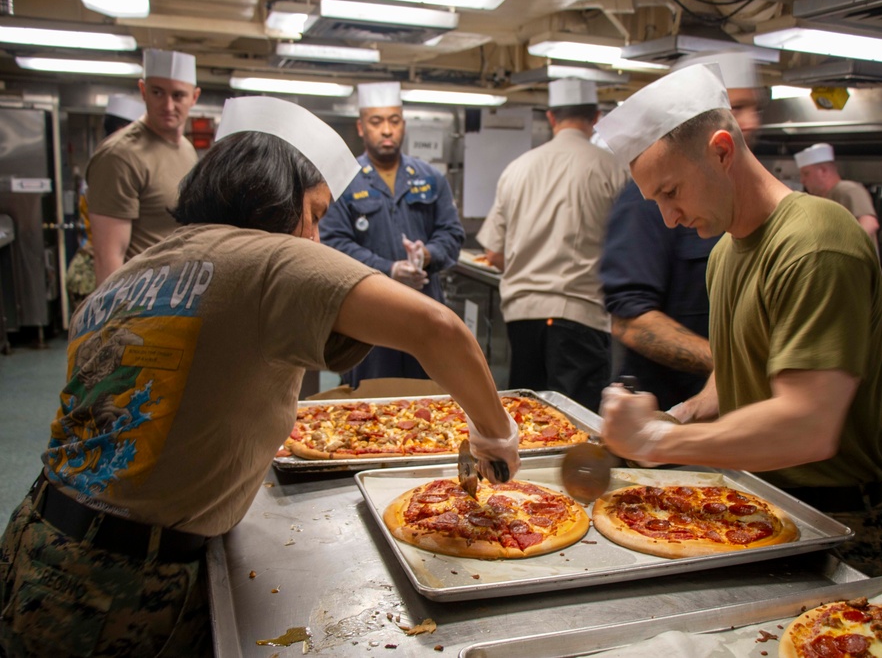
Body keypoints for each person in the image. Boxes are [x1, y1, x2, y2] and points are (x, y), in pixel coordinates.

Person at [0, 96, 519, 658]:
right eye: (316, 215)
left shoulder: (134, 272)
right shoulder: (269, 256)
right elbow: (438, 329)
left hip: (38, 543)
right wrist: (494, 432)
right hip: (125, 587)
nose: (317, 239)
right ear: (276, 195)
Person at [594, 63, 882, 577]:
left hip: (846, 534)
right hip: (763, 507)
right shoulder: (727, 252)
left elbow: (808, 425)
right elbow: (733, 378)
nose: (668, 219)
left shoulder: (815, 242)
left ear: (722, 151)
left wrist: (660, 444)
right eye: (656, 200)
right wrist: (674, 416)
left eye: (671, 191)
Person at [599, 50, 762, 410]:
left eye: (753, 107)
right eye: (735, 108)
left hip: (732, 418)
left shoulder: (756, 214)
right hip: (664, 409)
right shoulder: (650, 199)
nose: (748, 121)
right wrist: (736, 368)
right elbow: (630, 320)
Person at [477, 78, 629, 412]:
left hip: (521, 318)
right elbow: (628, 249)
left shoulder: (517, 169)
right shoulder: (612, 168)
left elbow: (494, 254)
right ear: (596, 117)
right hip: (579, 316)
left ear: (550, 117)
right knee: (576, 424)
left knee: (528, 419)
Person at [320, 81, 465, 386]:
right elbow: (332, 244)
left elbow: (451, 234)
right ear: (361, 128)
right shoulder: (343, 179)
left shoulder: (430, 178)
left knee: (428, 400)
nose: (387, 130)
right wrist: (388, 270)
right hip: (367, 316)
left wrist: (426, 255)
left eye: (394, 121)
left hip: (425, 311)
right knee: (369, 405)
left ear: (403, 125)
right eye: (376, 122)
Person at [86, 48, 201, 286]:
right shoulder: (120, 155)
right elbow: (108, 258)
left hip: (174, 294)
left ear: (194, 97)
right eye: (158, 92)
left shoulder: (187, 150)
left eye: (178, 95)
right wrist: (112, 320)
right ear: (143, 91)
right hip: (138, 301)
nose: (168, 105)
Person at [66, 94, 148, 313]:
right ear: (124, 128)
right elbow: (110, 252)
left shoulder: (109, 160)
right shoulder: (112, 163)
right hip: (93, 273)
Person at [795, 142, 881, 253]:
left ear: (823, 171)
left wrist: (841, 251)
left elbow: (870, 224)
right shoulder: (822, 198)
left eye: (806, 173)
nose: (802, 180)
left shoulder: (847, 190)